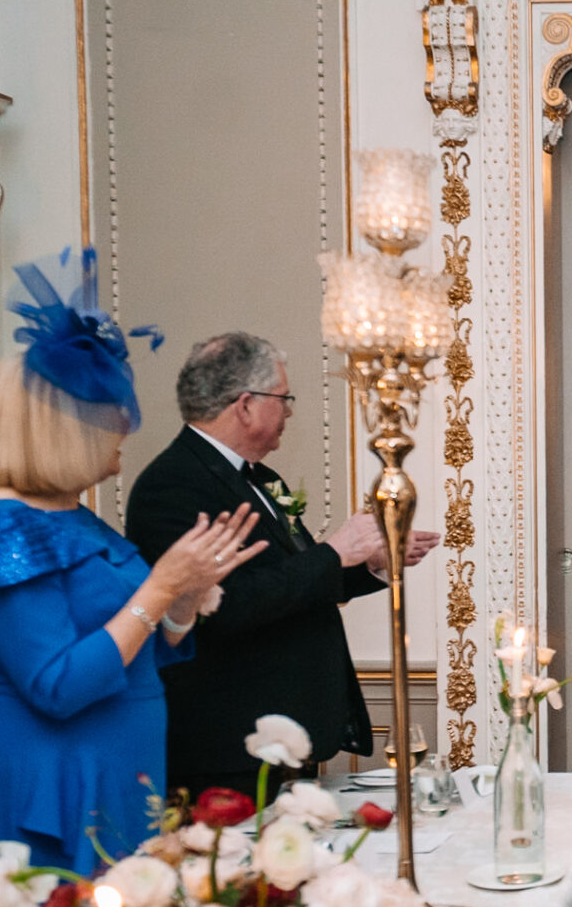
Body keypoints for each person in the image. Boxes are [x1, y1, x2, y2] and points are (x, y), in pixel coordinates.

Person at [0, 251, 263, 907]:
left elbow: (143, 647)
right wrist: (156, 592)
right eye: (110, 414)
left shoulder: (78, 519)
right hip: (49, 770)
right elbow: (57, 685)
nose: (125, 428)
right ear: (65, 428)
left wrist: (182, 603)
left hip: (119, 760)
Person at [126, 332, 439, 799]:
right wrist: (333, 552)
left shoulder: (261, 478)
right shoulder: (173, 486)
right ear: (246, 405)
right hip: (229, 745)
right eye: (283, 398)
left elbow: (294, 583)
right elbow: (223, 609)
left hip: (283, 734)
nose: (289, 411)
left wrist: (371, 562)